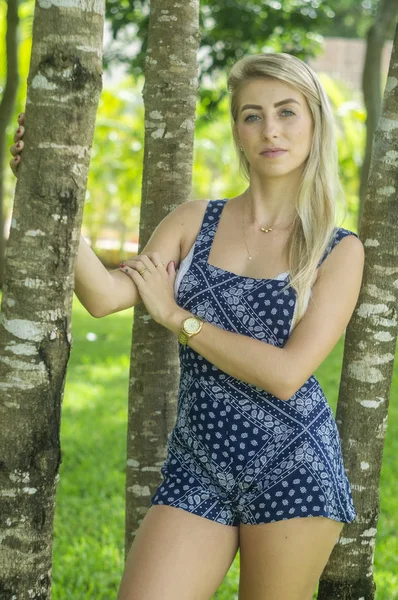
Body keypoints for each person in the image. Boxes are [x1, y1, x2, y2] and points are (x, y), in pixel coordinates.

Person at [10, 52, 364, 600]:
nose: (270, 129)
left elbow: (289, 373)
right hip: (199, 463)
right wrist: (50, 185)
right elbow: (104, 297)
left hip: (293, 466)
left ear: (315, 121)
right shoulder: (193, 220)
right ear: (238, 132)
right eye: (252, 115)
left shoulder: (338, 250)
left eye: (287, 111)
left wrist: (178, 318)